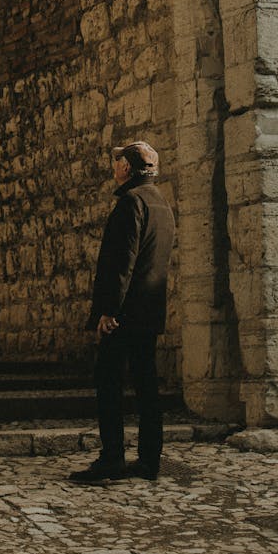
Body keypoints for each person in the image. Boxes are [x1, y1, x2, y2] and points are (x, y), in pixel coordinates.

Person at [69, 140, 175, 485]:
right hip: (149, 310)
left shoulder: (131, 203)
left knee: (109, 382)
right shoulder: (161, 204)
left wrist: (108, 311)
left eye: (118, 162)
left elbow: (122, 263)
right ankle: (148, 460)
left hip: (125, 313)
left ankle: (112, 457)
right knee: (147, 386)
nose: (114, 167)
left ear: (127, 168)